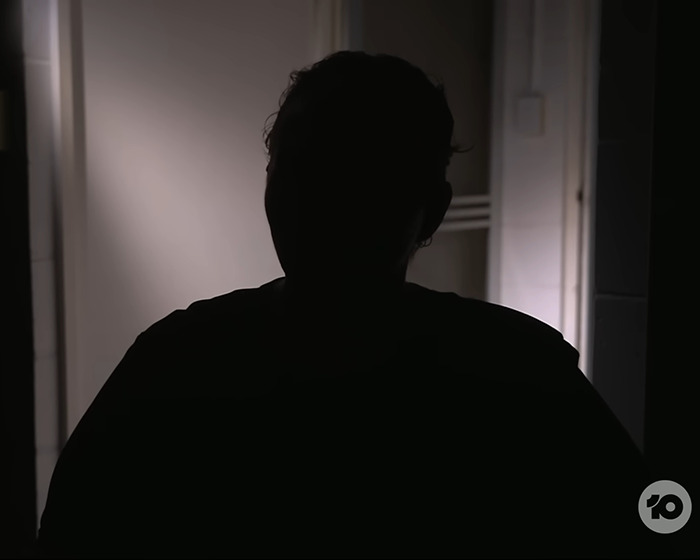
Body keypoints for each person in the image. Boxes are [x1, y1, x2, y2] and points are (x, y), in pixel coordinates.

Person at [37, 51, 669, 559]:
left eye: (363, 176)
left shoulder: (181, 360)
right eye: (301, 167)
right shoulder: (514, 365)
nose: (323, 203)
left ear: (431, 210)